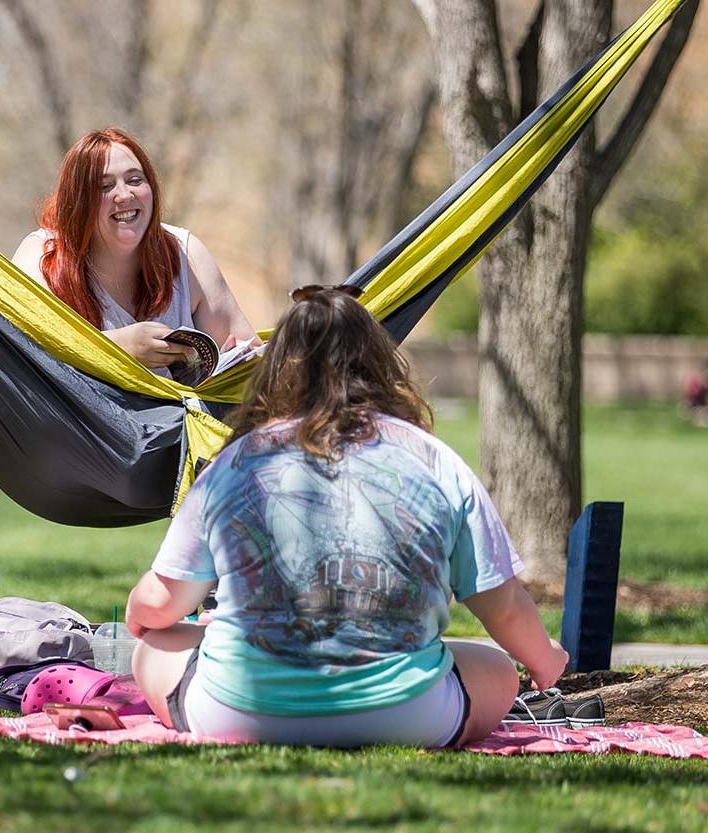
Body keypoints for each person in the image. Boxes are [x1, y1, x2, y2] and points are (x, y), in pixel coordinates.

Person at [125, 287, 569, 747]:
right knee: (496, 667)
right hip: (407, 718)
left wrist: (141, 617)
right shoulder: (437, 461)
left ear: (275, 372)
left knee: (155, 646)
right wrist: (544, 661)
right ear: (380, 366)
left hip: (243, 714)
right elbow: (503, 604)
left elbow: (163, 602)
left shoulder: (235, 463)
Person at [11, 128, 258, 376]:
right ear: (78, 202)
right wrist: (119, 347)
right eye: (105, 186)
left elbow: (248, 354)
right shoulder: (42, 254)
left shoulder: (186, 253)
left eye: (135, 180)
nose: (125, 195)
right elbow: (18, 341)